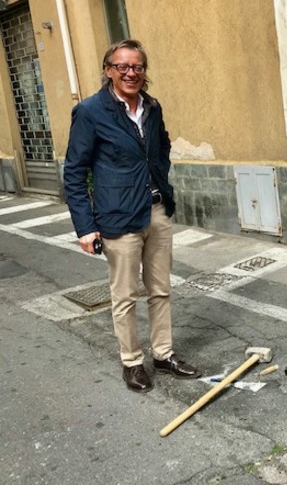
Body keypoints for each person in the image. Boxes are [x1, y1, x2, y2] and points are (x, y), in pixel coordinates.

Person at [64, 39, 200, 393]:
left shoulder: (152, 107)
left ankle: (164, 355)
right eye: (122, 66)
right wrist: (85, 226)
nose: (130, 73)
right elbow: (74, 172)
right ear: (108, 69)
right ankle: (132, 362)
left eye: (137, 67)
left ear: (144, 72)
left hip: (155, 211)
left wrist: (159, 176)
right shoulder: (91, 111)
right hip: (117, 216)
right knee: (124, 295)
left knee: (160, 290)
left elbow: (163, 146)